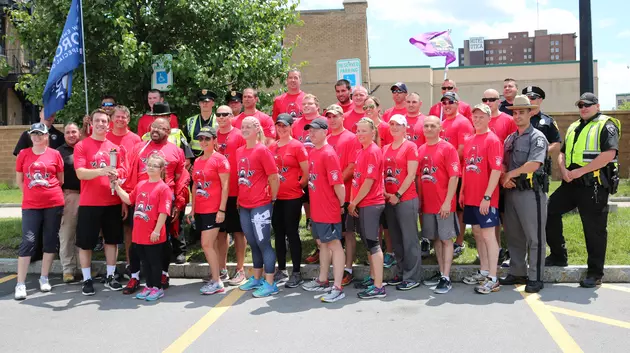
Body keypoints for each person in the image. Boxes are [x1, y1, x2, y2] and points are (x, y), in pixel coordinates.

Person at [546, 93, 621, 288]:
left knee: (594, 230)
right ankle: (558, 256)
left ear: (597, 106)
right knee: (548, 211)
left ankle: (595, 273)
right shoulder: (573, 126)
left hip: (593, 186)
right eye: (580, 105)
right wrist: (563, 170)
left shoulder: (607, 125)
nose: (583, 108)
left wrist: (580, 171)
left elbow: (608, 154)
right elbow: (562, 153)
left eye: (588, 105)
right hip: (571, 184)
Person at [123, 117, 187, 292]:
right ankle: (134, 276)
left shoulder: (175, 151)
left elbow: (181, 178)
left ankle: (163, 273)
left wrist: (179, 203)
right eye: (153, 127)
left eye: (161, 127)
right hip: (139, 201)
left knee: (162, 241)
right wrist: (125, 199)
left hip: (163, 202)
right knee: (135, 242)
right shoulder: (138, 148)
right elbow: (129, 174)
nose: (155, 130)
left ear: (168, 131)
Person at [74, 109, 128, 295]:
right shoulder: (82, 145)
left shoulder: (114, 147)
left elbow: (122, 170)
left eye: (104, 121)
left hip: (111, 201)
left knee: (111, 241)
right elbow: (80, 173)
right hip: (89, 203)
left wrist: (118, 176)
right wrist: (102, 171)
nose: (101, 124)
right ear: (91, 123)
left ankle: (110, 276)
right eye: (97, 121)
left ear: (109, 124)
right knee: (86, 243)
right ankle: (87, 279)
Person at [499, 95, 548, 293]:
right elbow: (502, 161)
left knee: (534, 237)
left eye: (522, 112)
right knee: (514, 235)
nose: (517, 116)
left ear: (531, 113)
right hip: (511, 192)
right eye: (515, 112)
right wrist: (504, 177)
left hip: (530, 193)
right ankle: (517, 271)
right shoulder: (510, 138)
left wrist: (510, 173)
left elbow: (534, 164)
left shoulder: (537, 137)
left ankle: (536, 277)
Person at [14, 123, 65, 300]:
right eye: (33, 134)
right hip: (31, 205)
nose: (36, 137)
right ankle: (20, 283)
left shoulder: (55, 154)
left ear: (46, 137)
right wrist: (31, 193)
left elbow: (60, 179)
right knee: (28, 241)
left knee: (50, 240)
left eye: (40, 134)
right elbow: (20, 181)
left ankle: (44, 278)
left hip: (54, 203)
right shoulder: (23, 154)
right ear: (30, 136)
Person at [300, 118, 347, 302]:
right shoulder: (313, 152)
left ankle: (338, 287)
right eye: (309, 130)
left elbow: (339, 184)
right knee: (323, 244)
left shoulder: (328, 154)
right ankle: (322, 280)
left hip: (329, 209)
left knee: (334, 244)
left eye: (315, 130)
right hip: (318, 210)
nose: (311, 133)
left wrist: (341, 205)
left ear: (325, 132)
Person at [114, 154, 172, 301]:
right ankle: (149, 285)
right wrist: (117, 186)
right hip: (139, 233)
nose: (151, 167)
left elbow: (163, 212)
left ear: (161, 169)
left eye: (155, 165)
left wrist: (157, 230)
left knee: (154, 262)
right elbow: (129, 199)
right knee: (145, 262)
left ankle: (157, 287)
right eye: (149, 164)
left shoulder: (163, 188)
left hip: (153, 233)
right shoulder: (141, 185)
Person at [460, 104, 503, 294]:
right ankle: (484, 270)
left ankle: (493, 278)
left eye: (481, 117)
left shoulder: (493, 140)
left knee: (488, 235)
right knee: (477, 233)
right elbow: (465, 167)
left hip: (486, 198)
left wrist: (487, 197)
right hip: (470, 196)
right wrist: (462, 191)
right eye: (474, 116)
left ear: (488, 118)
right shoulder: (469, 140)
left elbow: (496, 170)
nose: (477, 119)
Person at [236, 117, 280, 298]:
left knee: (263, 243)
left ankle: (270, 283)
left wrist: (273, 197)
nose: (245, 129)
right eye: (243, 126)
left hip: (260, 204)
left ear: (257, 129)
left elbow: (274, 176)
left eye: (249, 127)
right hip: (244, 204)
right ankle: (256, 277)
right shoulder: (239, 151)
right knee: (253, 242)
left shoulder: (262, 150)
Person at [417, 116, 460, 294]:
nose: (428, 129)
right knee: (436, 239)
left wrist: (448, 202)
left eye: (433, 126)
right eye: (426, 126)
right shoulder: (420, 149)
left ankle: (446, 277)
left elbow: (454, 176)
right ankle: (442, 272)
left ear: (440, 129)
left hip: (444, 204)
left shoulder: (448, 148)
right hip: (428, 204)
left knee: (446, 239)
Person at [382, 114, 423, 291]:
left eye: (398, 124)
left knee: (409, 239)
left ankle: (412, 275)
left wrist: (397, 194)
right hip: (388, 198)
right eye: (391, 124)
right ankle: (401, 271)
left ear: (405, 128)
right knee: (396, 239)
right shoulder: (384, 148)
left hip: (405, 198)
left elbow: (411, 174)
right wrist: (385, 193)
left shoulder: (411, 146)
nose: (394, 127)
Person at [187, 127, 230, 295]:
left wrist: (221, 209)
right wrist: (192, 209)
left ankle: (217, 281)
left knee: (206, 244)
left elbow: (225, 186)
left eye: (207, 138)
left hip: (214, 209)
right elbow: (196, 185)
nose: (203, 142)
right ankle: (216, 274)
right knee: (209, 245)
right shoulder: (197, 161)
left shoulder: (220, 159)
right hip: (201, 209)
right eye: (201, 139)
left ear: (214, 140)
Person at [269, 114, 309, 287]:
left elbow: (306, 172)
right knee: (278, 232)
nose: (282, 129)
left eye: (285, 126)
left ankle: (297, 272)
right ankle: (282, 269)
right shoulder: (272, 147)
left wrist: (297, 185)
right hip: (276, 197)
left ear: (291, 126)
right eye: (279, 126)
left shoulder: (297, 146)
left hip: (292, 197)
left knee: (292, 232)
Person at [348, 118, 386, 299]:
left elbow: (369, 182)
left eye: (364, 131)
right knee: (368, 243)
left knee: (373, 243)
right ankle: (373, 278)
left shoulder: (373, 151)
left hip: (371, 202)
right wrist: (354, 201)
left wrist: (354, 202)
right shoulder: (361, 151)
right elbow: (357, 179)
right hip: (363, 203)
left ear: (373, 133)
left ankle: (379, 286)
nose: (360, 134)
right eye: (358, 131)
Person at [325, 104, 360, 285]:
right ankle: (336, 267)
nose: (332, 120)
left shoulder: (351, 138)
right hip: (328, 196)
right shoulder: (327, 138)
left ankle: (348, 268)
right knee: (332, 234)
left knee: (347, 232)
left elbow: (353, 166)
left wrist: (335, 184)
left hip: (345, 194)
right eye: (329, 117)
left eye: (335, 116)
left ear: (342, 117)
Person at [483, 88, 518, 265]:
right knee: (492, 218)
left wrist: (508, 173)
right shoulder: (480, 121)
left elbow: (515, 148)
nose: (488, 102)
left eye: (492, 99)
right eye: (485, 99)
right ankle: (494, 251)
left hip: (504, 176)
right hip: (485, 179)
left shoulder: (509, 121)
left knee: (507, 217)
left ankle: (513, 253)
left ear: (499, 101)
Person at [215, 106, 248, 285]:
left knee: (238, 232)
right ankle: (222, 269)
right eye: (218, 114)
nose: (221, 118)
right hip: (217, 194)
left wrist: (243, 191)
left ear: (231, 116)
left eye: (225, 114)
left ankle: (240, 269)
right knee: (221, 233)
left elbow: (245, 163)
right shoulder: (212, 135)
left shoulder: (239, 135)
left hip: (236, 191)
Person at [107, 105, 142, 274]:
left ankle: (131, 263)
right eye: (117, 117)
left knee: (130, 229)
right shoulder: (104, 137)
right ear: (112, 119)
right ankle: (110, 268)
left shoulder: (135, 139)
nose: (120, 120)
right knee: (110, 230)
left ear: (128, 120)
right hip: (106, 191)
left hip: (129, 191)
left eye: (124, 117)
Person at [440, 91, 474, 258]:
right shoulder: (444, 123)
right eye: (444, 103)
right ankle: (447, 239)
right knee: (449, 207)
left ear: (458, 104)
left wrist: (445, 165)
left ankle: (459, 242)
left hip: (458, 172)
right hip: (445, 173)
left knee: (460, 209)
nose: (447, 105)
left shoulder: (463, 122)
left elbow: (463, 150)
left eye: (450, 102)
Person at [365, 95, 394, 267]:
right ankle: (376, 251)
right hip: (369, 177)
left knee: (386, 219)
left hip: (385, 176)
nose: (368, 110)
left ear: (378, 108)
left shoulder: (385, 127)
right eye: (365, 107)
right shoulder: (363, 128)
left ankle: (389, 251)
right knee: (374, 222)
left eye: (371, 107)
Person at [523, 86, 562, 203]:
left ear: (540, 100)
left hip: (539, 168)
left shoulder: (547, 121)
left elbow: (556, 145)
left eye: (533, 97)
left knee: (538, 202)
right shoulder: (516, 119)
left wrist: (539, 152)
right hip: (519, 165)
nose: (529, 100)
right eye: (526, 97)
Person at [292, 94, 322, 234]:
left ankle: (320, 235)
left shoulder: (324, 121)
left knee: (318, 205)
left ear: (317, 106)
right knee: (298, 203)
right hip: (299, 171)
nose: (306, 106)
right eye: (304, 104)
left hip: (319, 171)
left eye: (309, 103)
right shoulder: (296, 123)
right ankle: (294, 231)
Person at [57, 123, 82, 283]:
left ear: (79, 133)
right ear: (64, 135)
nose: (71, 135)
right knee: (67, 233)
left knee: (83, 234)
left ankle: (83, 267)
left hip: (88, 195)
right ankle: (68, 269)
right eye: (68, 132)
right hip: (69, 195)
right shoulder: (59, 152)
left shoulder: (84, 148)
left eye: (74, 131)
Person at [184, 89, 218, 157]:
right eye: (202, 101)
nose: (205, 104)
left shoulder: (219, 120)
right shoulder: (190, 121)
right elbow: (185, 143)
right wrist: (188, 159)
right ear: (199, 103)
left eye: (207, 101)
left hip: (213, 158)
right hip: (194, 160)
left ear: (213, 103)